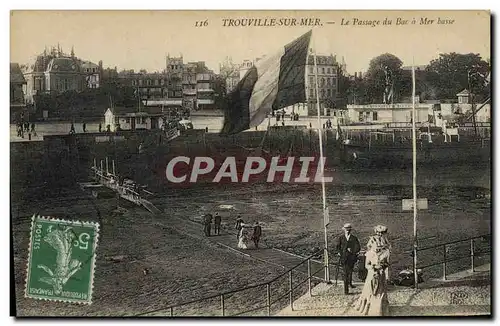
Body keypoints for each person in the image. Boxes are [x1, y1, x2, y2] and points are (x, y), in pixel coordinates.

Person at [354, 238, 390, 316]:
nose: (377, 249)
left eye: (379, 248)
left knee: (380, 291)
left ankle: (380, 309)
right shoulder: (369, 253)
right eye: (376, 248)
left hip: (381, 274)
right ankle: (368, 308)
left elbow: (387, 263)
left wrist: (383, 266)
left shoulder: (385, 253)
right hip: (371, 274)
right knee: (370, 290)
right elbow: (366, 265)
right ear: (372, 246)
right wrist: (373, 267)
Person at [335, 223, 361, 295]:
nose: (347, 231)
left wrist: (352, 250)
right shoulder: (341, 238)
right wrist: (339, 252)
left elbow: (358, 247)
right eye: (346, 229)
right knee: (345, 273)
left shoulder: (354, 238)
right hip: (344, 258)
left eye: (348, 229)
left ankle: (350, 283)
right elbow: (337, 247)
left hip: (351, 258)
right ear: (344, 230)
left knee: (350, 271)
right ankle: (346, 291)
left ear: (350, 230)